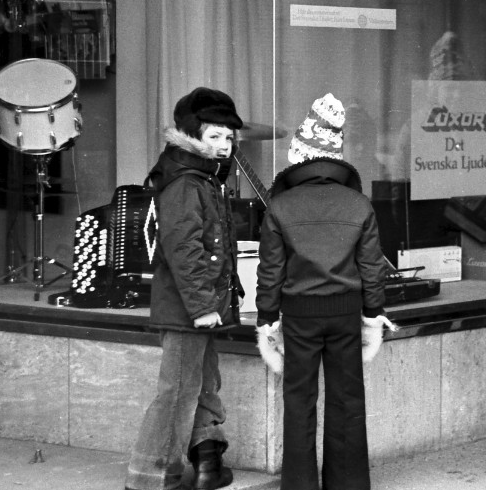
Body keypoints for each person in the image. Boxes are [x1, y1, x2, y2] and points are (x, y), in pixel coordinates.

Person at [255, 93, 391, 490]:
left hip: (298, 315)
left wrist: (266, 320)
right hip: (347, 314)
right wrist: (372, 315)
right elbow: (371, 268)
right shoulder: (359, 204)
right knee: (347, 401)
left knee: (299, 403)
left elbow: (270, 272)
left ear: (299, 157)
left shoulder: (280, 207)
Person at [124, 87, 245, 490]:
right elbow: (184, 249)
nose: (225, 145)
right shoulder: (185, 182)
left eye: (228, 138)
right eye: (214, 136)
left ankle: (208, 461)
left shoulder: (204, 178)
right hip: (188, 308)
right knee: (177, 391)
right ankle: (150, 476)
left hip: (204, 304)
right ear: (191, 135)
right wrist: (201, 306)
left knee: (203, 382)